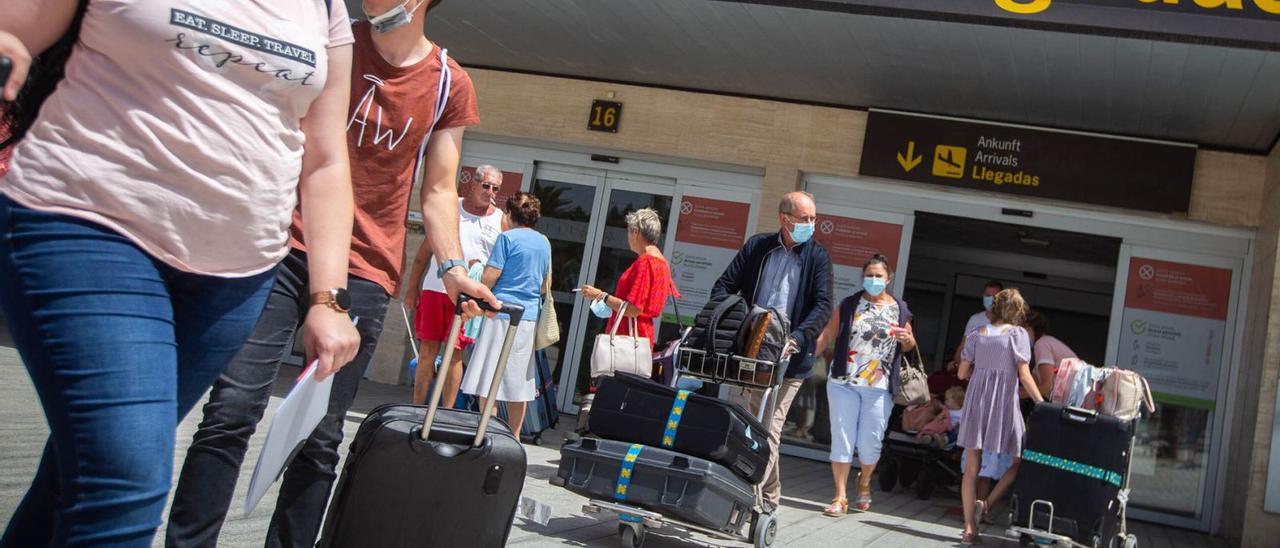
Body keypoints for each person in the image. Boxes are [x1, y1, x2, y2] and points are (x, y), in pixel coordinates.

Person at [0, 1, 362, 545]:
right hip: (87, 225)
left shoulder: (326, 7)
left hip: (234, 278)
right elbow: (14, 32)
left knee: (83, 474)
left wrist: (327, 299)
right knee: (126, 476)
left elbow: (327, 158)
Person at [165, 2, 496, 545]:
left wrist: (454, 269)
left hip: (365, 266)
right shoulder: (327, 38)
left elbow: (437, 191)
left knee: (320, 436)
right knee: (231, 411)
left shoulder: (447, 83)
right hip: (279, 243)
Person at [711, 190, 834, 512]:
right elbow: (724, 285)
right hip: (753, 352)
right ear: (785, 219)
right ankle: (770, 495)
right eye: (805, 219)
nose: (811, 224)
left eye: (813, 219)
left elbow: (823, 304)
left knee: (769, 428)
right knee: (757, 426)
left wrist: (799, 337)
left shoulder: (817, 257)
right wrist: (730, 321)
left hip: (790, 358)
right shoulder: (758, 247)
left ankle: (752, 500)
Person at [813, 254, 917, 516]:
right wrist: (806, 356)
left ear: (888, 279)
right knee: (842, 439)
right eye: (868, 275)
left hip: (879, 386)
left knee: (871, 443)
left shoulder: (900, 309)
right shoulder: (849, 305)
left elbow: (911, 345)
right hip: (843, 382)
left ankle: (864, 480)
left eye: (878, 276)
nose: (872, 280)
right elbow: (828, 335)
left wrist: (906, 340)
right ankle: (839, 496)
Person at [406, 164, 505, 406]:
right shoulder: (452, 208)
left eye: (495, 188)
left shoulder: (500, 220)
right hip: (434, 289)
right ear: (474, 184)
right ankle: (418, 407)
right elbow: (422, 255)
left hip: (468, 298)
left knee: (454, 354)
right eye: (486, 185)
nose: (490, 191)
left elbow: (503, 263)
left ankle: (446, 411)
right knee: (428, 352)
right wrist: (411, 290)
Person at [576, 208, 680, 430]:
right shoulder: (661, 262)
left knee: (616, 387)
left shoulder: (645, 262)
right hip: (642, 335)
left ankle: (603, 433)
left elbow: (633, 308)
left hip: (627, 333)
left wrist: (601, 296)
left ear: (635, 232)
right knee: (631, 391)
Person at [956, 288, 1045, 544]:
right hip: (1003, 404)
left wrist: (980, 372)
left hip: (977, 403)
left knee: (971, 469)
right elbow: (1024, 375)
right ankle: (987, 503)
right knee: (1019, 459)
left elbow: (962, 374)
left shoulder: (976, 335)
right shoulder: (1017, 335)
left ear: (992, 308)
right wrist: (1041, 403)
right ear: (1018, 312)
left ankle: (969, 530)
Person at [460, 192, 551, 437]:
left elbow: (491, 276)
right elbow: (545, 284)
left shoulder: (506, 238)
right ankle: (515, 436)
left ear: (510, 214)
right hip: (528, 317)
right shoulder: (544, 242)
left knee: (489, 376)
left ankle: (488, 432)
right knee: (518, 381)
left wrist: (475, 272)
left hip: (500, 313)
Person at [1025, 309, 1078, 401]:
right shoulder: (1047, 343)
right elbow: (1032, 385)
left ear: (1031, 329)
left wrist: (1014, 395)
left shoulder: (1041, 344)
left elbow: (1047, 386)